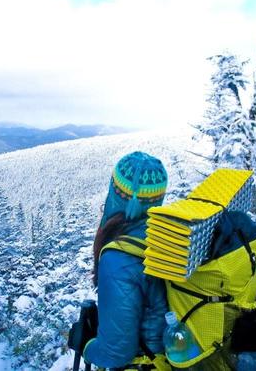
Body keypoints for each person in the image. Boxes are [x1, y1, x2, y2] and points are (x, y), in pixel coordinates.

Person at [83, 151, 170, 370]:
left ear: (115, 194)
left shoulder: (118, 258)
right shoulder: (169, 235)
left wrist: (86, 345)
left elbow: (115, 353)